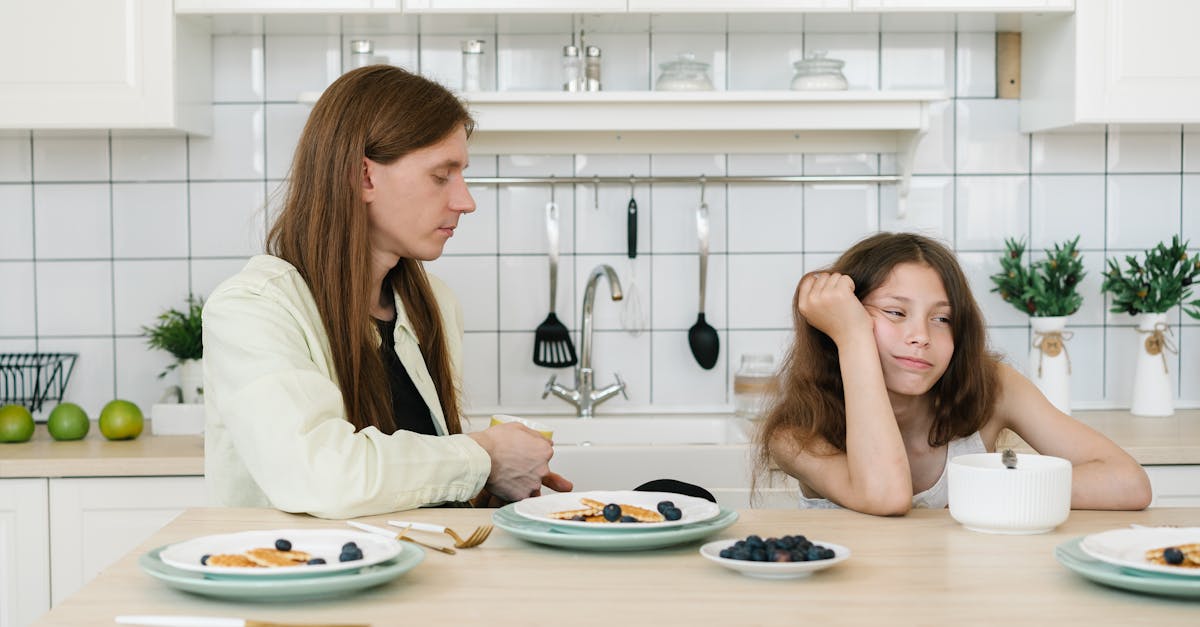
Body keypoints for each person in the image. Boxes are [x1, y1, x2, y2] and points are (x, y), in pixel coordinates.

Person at [202, 65, 571, 519]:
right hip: (297, 579)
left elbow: (417, 485)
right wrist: (483, 457)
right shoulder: (253, 309)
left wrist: (493, 483)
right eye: (442, 175)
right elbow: (320, 476)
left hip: (418, 573)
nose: (466, 201)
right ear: (364, 177)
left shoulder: (432, 304)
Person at [757, 232, 1152, 515]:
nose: (920, 337)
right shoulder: (795, 436)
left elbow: (1127, 482)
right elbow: (885, 496)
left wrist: (988, 490)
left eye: (942, 318)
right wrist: (854, 339)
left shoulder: (994, 387)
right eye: (895, 313)